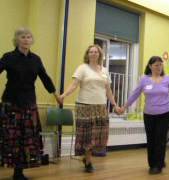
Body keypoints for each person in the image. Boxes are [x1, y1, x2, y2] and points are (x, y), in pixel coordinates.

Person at [0, 27, 61, 180]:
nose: (26, 39)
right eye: (23, 37)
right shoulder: (8, 57)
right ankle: (12, 168)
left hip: (29, 102)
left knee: (26, 138)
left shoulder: (36, 59)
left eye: (28, 37)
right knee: (11, 138)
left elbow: (45, 78)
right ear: (17, 40)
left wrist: (56, 95)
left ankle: (19, 171)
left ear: (31, 40)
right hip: (11, 102)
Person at [119, 56, 169, 175]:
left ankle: (157, 165)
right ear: (150, 66)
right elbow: (135, 94)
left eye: (160, 64)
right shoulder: (144, 80)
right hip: (149, 114)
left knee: (160, 139)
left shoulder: (168, 79)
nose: (159, 67)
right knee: (151, 139)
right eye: (156, 65)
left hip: (164, 113)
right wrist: (124, 107)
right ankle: (153, 163)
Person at [59, 45, 120, 173]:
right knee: (87, 136)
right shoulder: (82, 68)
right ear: (88, 54)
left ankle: (87, 158)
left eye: (95, 52)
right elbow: (74, 85)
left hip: (101, 107)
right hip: (85, 106)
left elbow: (108, 90)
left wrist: (114, 104)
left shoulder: (104, 70)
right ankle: (88, 161)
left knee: (97, 135)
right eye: (91, 52)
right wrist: (63, 95)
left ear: (99, 54)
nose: (93, 54)